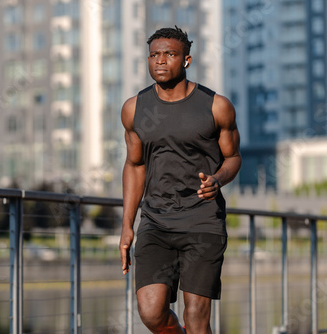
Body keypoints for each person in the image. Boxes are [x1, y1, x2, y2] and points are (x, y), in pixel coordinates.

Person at [119, 26, 241, 334]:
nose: (160, 61)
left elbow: (234, 157)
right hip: (156, 222)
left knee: (197, 315)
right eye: (154, 55)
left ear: (186, 60)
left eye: (169, 54)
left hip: (202, 221)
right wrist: (126, 226)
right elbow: (135, 165)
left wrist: (218, 179)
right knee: (150, 312)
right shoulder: (134, 109)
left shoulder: (216, 106)